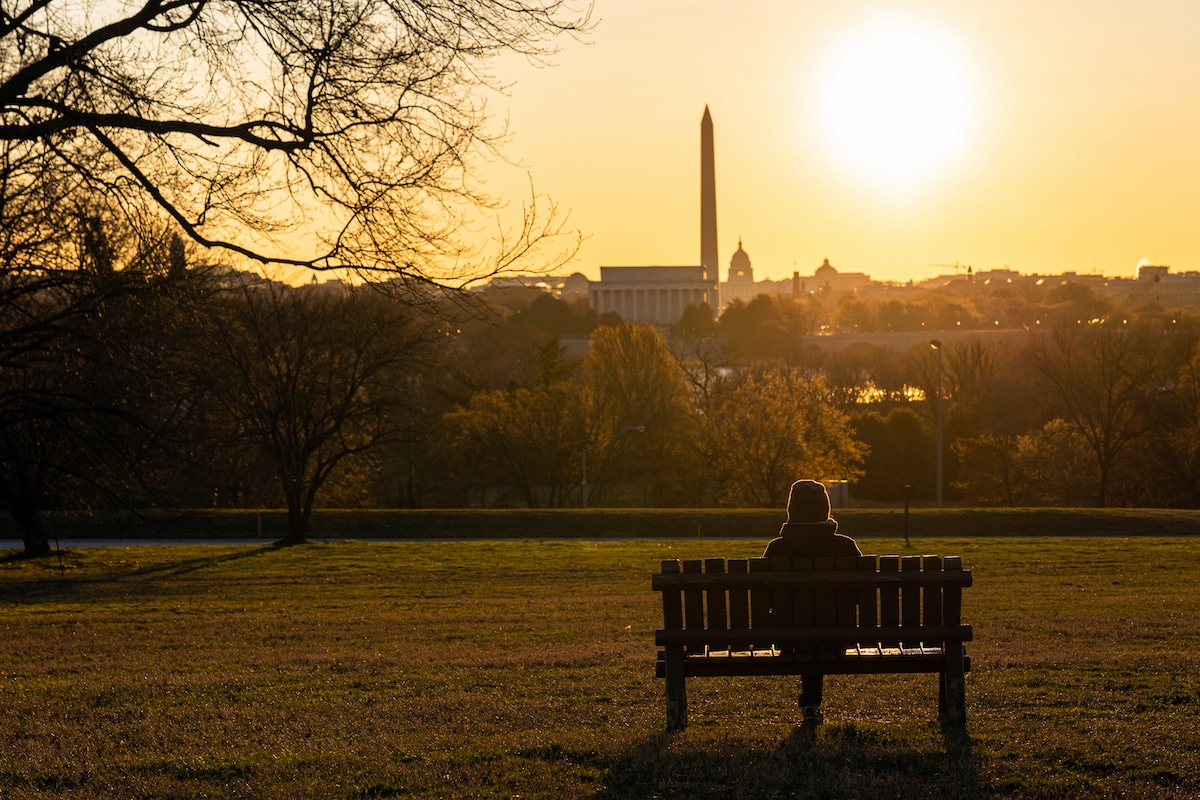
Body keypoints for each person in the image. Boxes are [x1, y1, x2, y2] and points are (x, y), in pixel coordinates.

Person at [763, 479, 861, 725]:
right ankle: (811, 703)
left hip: (789, 638)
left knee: (804, 630)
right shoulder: (845, 546)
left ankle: (811, 703)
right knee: (818, 628)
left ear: (791, 510)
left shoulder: (777, 550)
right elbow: (861, 595)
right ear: (825, 509)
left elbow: (764, 599)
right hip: (839, 634)